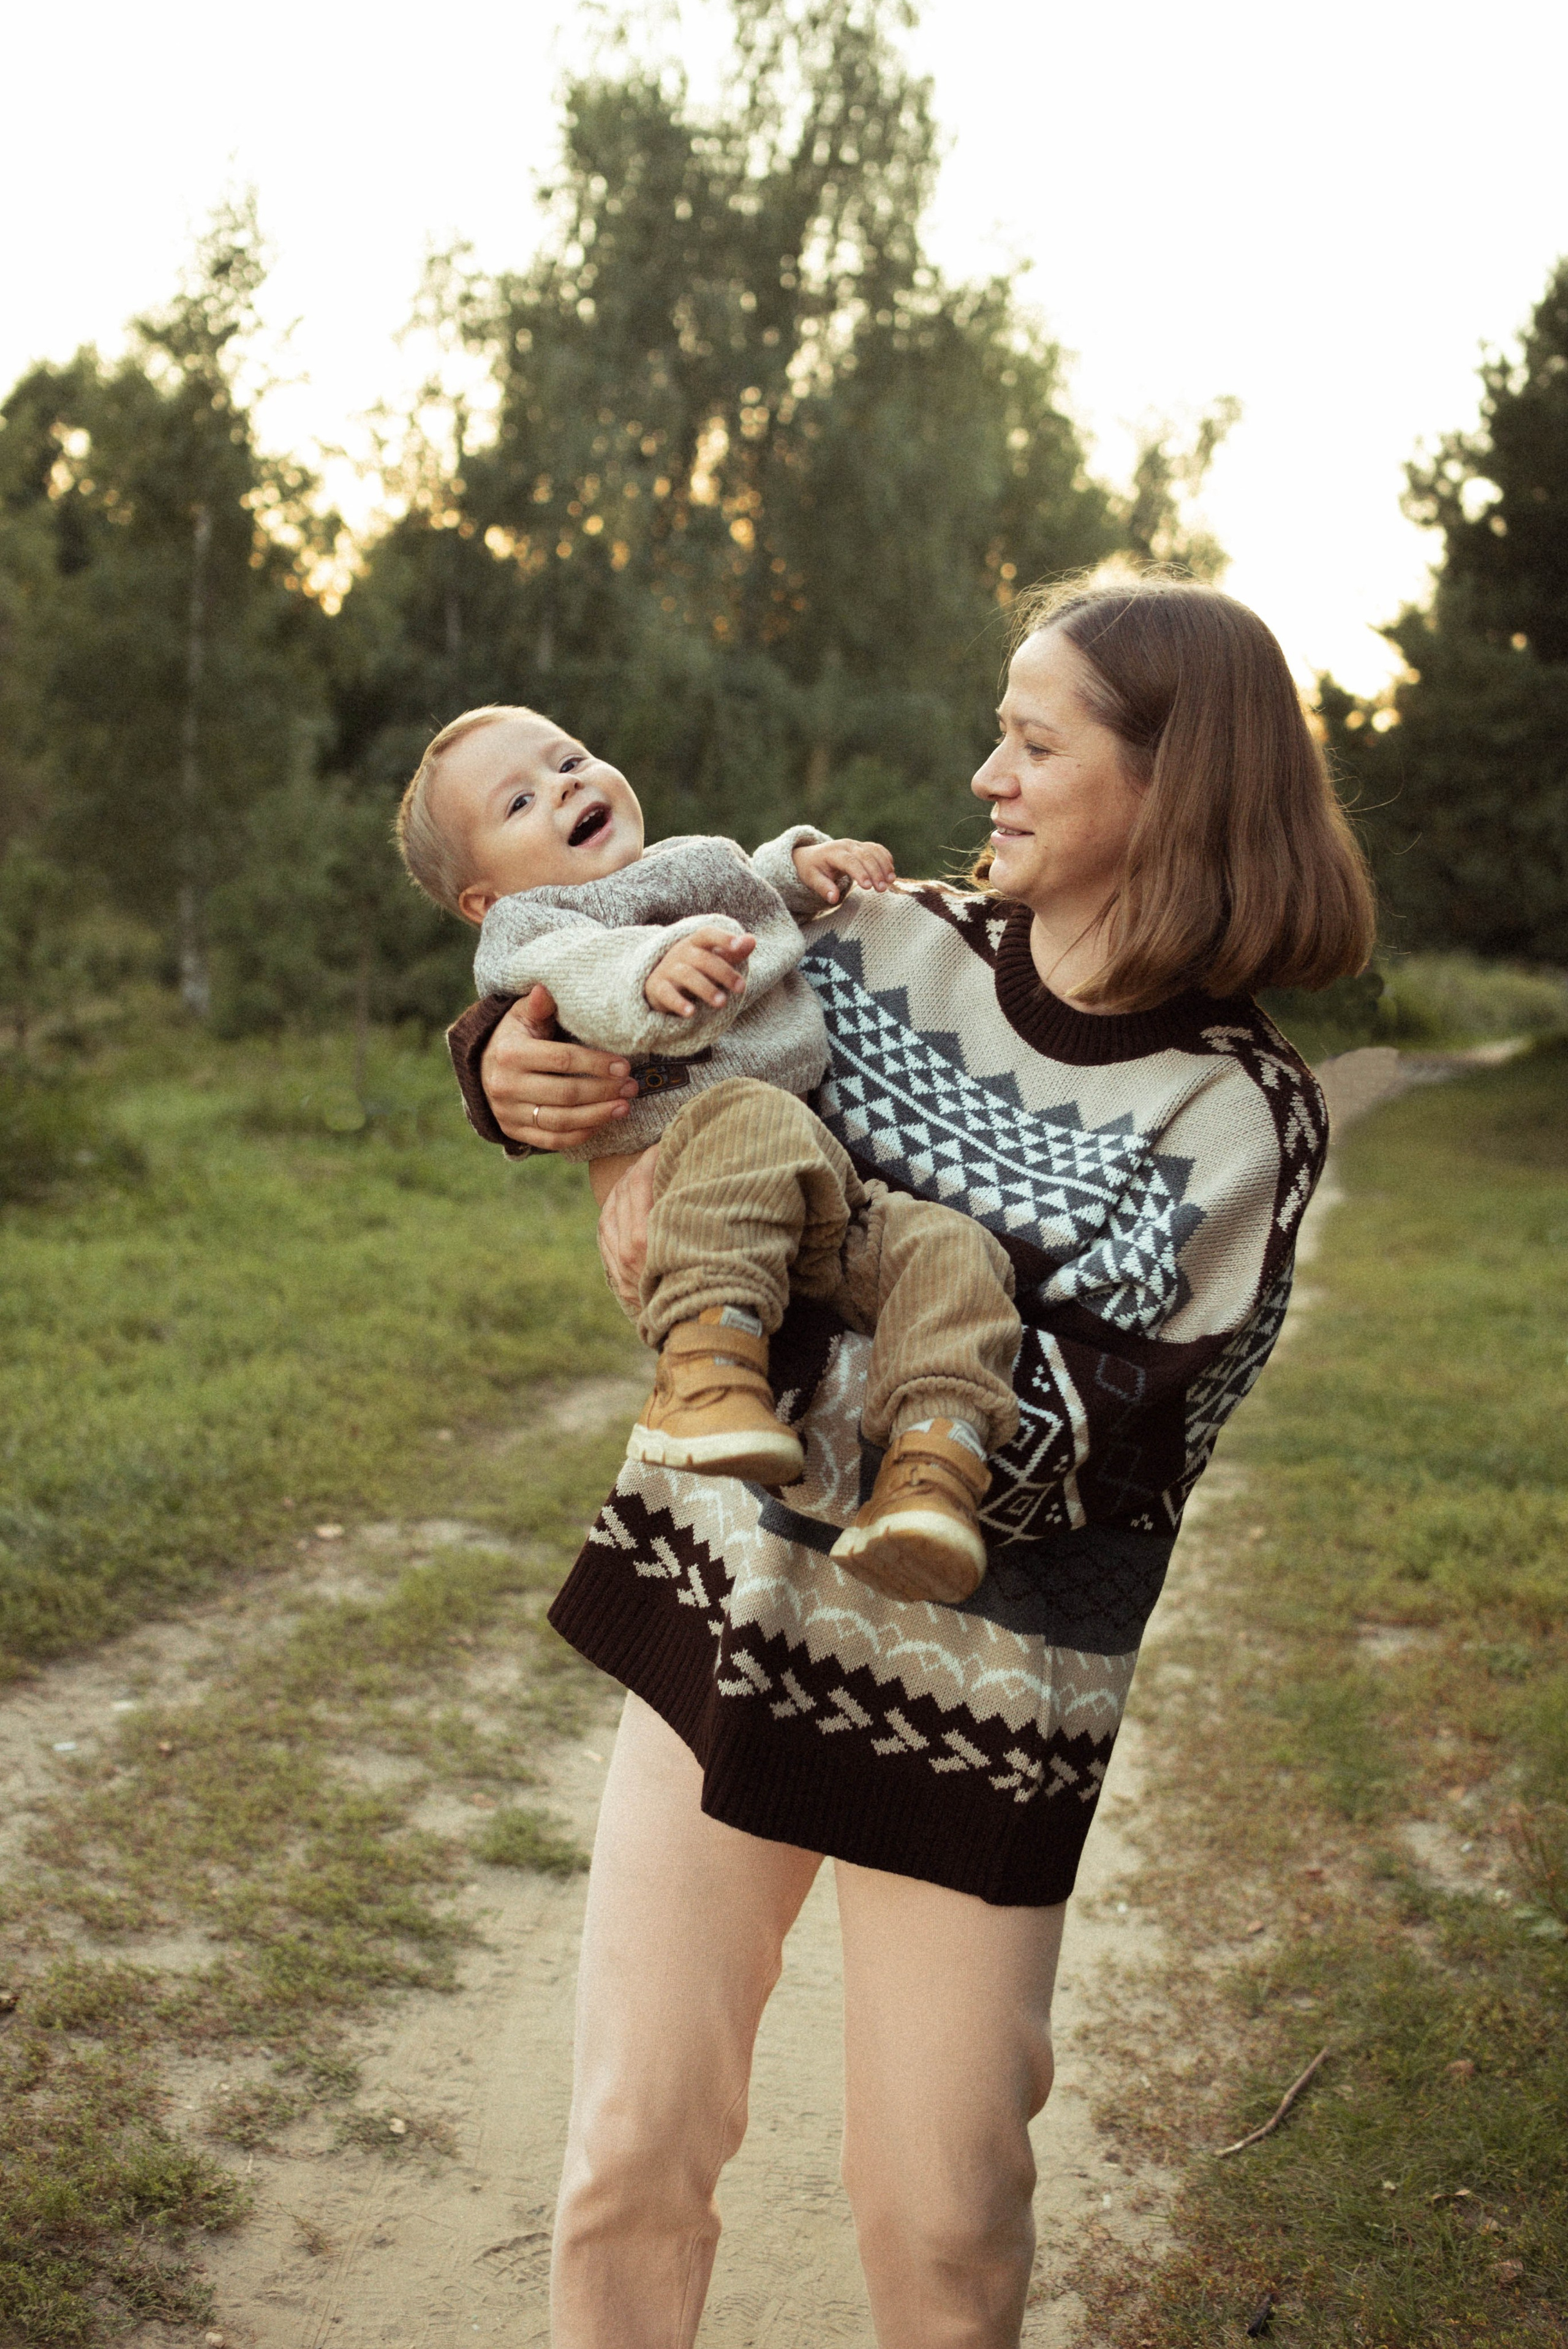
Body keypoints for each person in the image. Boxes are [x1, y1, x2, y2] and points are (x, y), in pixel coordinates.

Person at [448, 576, 1376, 2349]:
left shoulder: (1237, 1113)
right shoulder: (884, 941)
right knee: (632, 2151)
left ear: (1173, 788)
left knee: (942, 2215)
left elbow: (1086, 1449)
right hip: (720, 1606)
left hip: (977, 1703)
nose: (986, 773)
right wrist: (507, 1061)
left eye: (1033, 741)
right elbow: (618, 955)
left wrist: (741, 1299)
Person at [396, 705, 1023, 1595]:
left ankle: (933, 1471)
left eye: (571, 757)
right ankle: (708, 1377)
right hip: (698, 1202)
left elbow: (745, 884)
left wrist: (803, 869)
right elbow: (578, 972)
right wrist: (644, 973)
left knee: (958, 1252)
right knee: (746, 1114)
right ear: (485, 900)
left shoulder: (684, 865)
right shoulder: (534, 928)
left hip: (811, 1191)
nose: (568, 784)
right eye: (522, 801)